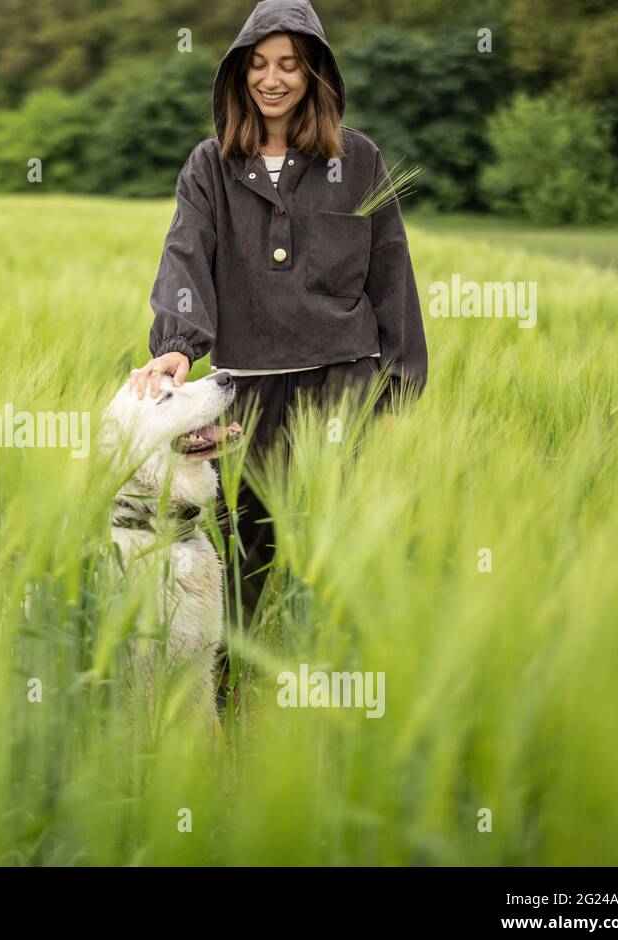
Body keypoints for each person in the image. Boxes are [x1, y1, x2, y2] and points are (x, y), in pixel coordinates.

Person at [128, 0, 429, 630]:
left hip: (342, 382)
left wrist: (396, 391)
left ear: (314, 73)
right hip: (247, 386)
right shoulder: (209, 165)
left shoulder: (360, 160)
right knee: (240, 545)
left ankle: (339, 670)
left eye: (290, 65)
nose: (272, 79)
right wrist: (179, 343)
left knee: (340, 538)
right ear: (239, 74)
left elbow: (392, 275)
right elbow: (186, 249)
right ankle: (230, 682)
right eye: (258, 64)